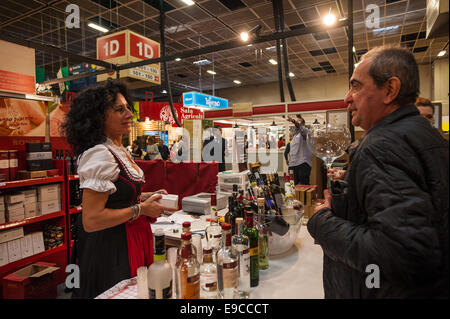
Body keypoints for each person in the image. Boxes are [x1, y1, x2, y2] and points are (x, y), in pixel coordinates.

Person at [307, 46, 449, 298]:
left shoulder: (382, 145)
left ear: (390, 90)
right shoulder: (424, 135)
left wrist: (322, 220)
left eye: (357, 86)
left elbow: (400, 254)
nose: (347, 98)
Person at [61, 79, 177, 298]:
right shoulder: (99, 154)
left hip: (131, 238)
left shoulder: (117, 149)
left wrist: (147, 196)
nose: (129, 114)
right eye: (119, 109)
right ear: (98, 117)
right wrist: (141, 210)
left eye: (128, 108)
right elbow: (92, 219)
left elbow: (117, 196)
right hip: (111, 249)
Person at [286, 114, 312, 185]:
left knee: (304, 185)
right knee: (292, 185)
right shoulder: (295, 136)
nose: (297, 124)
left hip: (303, 163)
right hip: (293, 164)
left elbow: (300, 128)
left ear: (303, 124)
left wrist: (293, 121)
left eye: (299, 122)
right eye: (297, 122)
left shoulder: (306, 132)